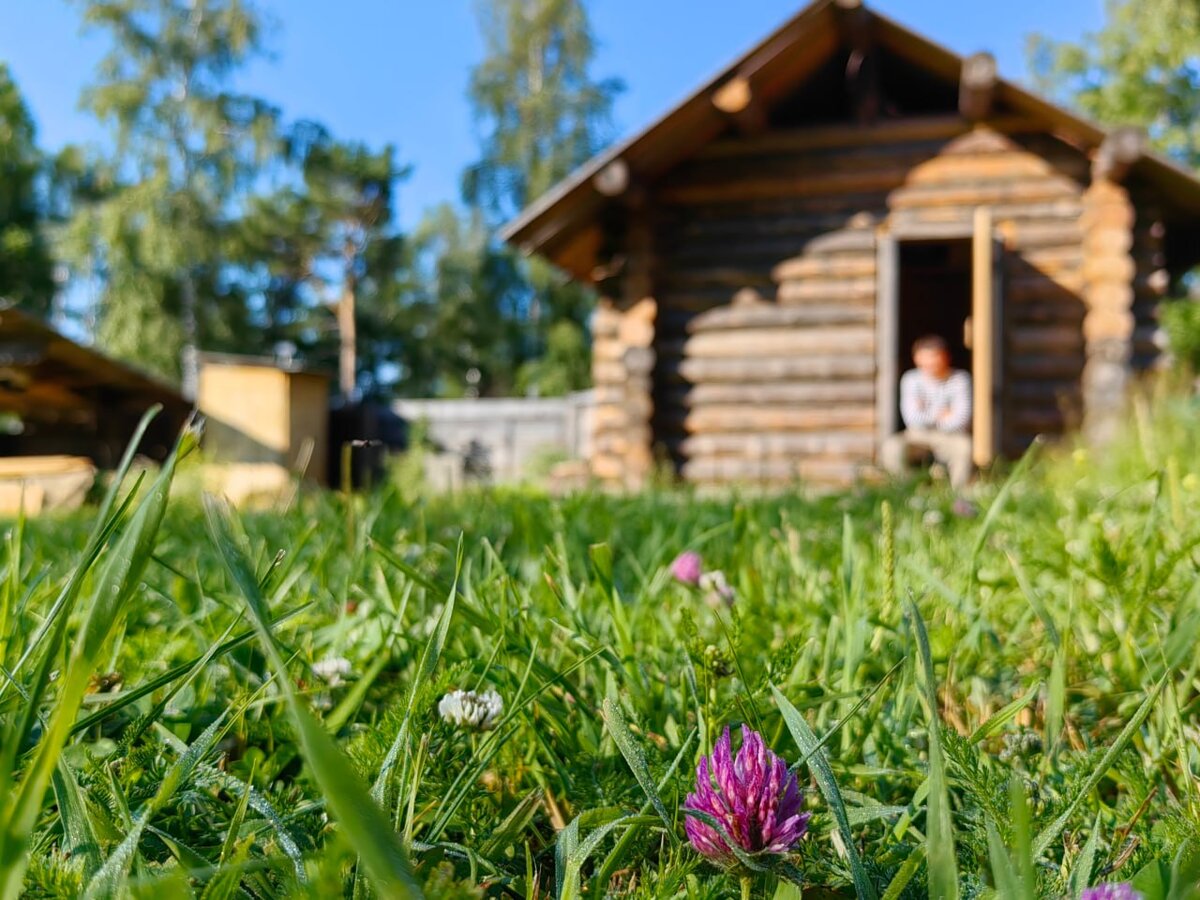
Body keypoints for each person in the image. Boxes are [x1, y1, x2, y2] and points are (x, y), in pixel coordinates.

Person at [881, 335, 974, 488]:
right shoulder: (911, 379)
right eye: (925, 358)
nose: (930, 362)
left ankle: (958, 493)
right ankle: (905, 490)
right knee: (892, 446)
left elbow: (961, 419)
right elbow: (912, 419)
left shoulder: (960, 379)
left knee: (964, 447)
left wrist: (926, 413)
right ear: (916, 359)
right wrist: (940, 414)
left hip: (951, 437)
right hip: (918, 436)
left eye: (934, 357)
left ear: (946, 357)